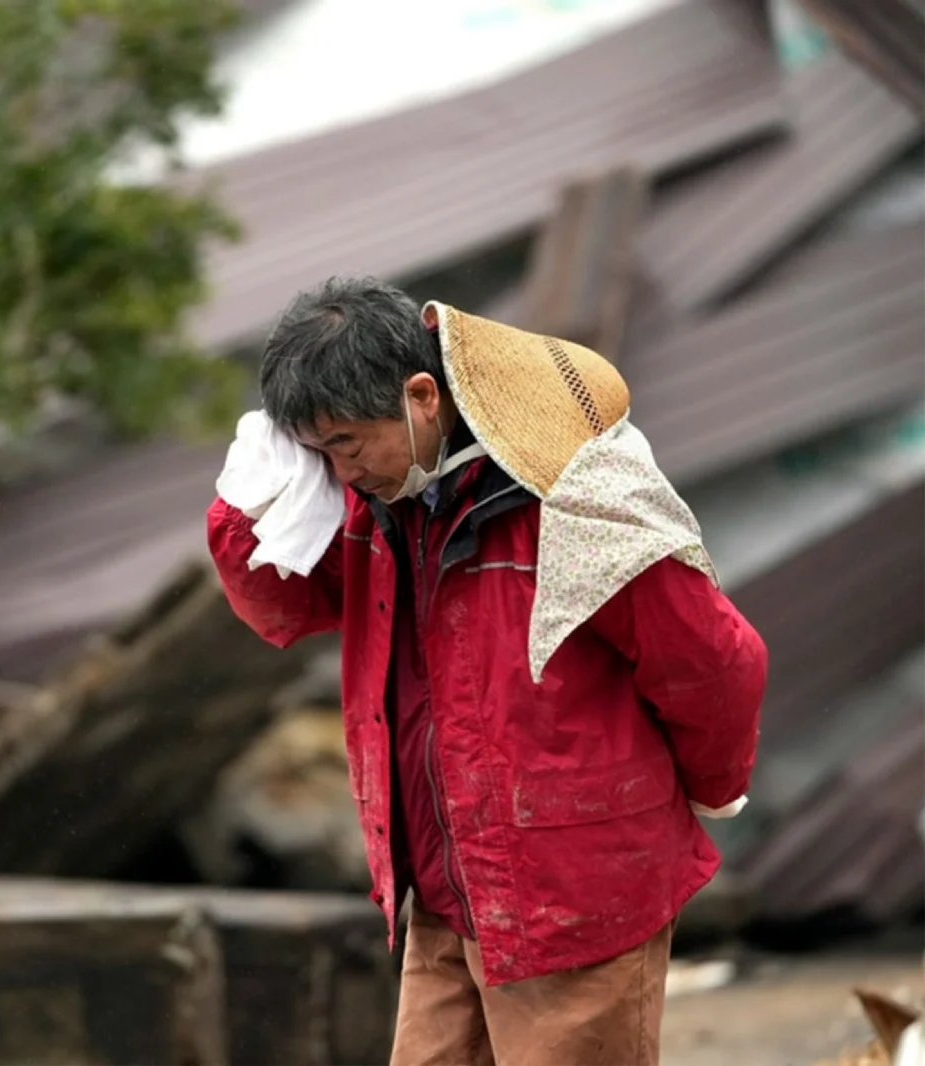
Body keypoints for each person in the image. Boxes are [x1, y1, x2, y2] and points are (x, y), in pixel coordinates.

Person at [206, 278, 767, 1066]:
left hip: (575, 896)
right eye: (317, 453)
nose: (338, 471)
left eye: (345, 443)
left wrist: (708, 787)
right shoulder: (384, 499)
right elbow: (282, 602)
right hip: (445, 892)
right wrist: (245, 503)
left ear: (422, 395)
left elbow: (716, 662)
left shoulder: (575, 495)